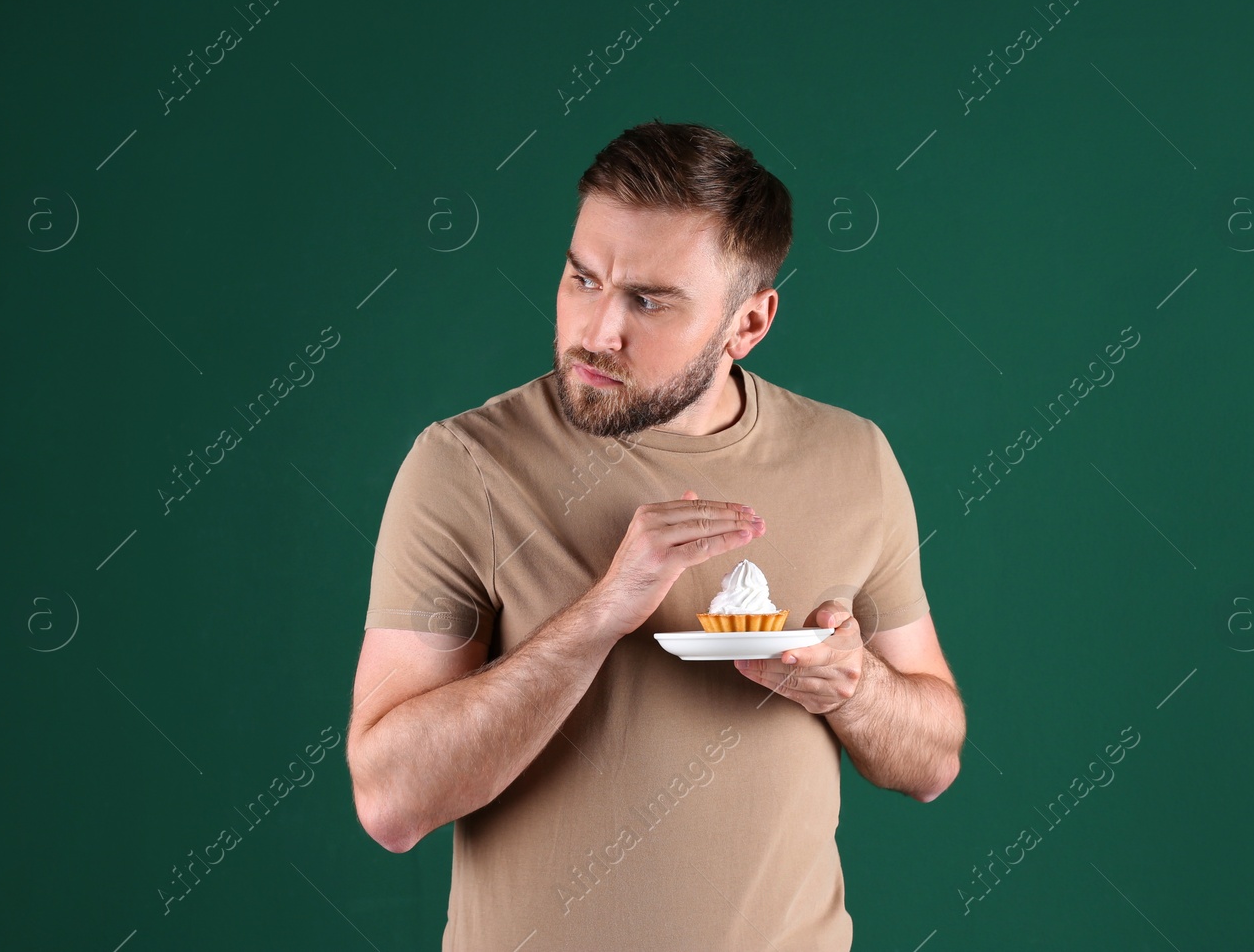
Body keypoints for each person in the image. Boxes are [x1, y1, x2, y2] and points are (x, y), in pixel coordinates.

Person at [345, 120, 965, 950]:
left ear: (748, 323)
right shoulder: (463, 465)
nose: (597, 331)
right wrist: (601, 614)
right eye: (582, 278)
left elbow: (932, 761)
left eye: (647, 299)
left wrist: (856, 686)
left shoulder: (855, 460)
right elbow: (390, 802)